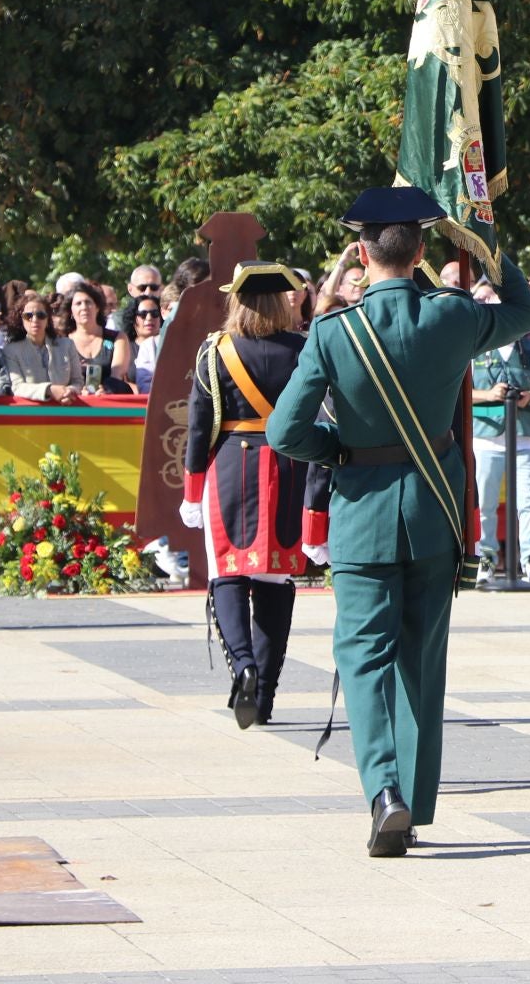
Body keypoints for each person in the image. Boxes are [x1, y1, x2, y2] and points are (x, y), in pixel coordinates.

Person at [268, 186, 530, 858]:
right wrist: (484, 242)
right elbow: (526, 311)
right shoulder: (450, 318)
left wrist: (340, 452)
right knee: (421, 660)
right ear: (420, 251)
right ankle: (411, 804)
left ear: (361, 254)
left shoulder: (334, 332)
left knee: (363, 659)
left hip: (360, 513)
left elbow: (284, 431)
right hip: (433, 514)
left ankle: (382, 790)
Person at [180, 263, 329, 729]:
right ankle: (263, 694)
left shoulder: (215, 352)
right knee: (274, 583)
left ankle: (241, 665)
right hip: (289, 467)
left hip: (230, 469)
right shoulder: (304, 350)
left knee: (227, 576)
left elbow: (199, 428)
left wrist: (191, 490)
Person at [469, 314, 530, 587]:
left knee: (528, 503)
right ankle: (486, 559)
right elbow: (458, 390)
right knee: (485, 505)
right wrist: (489, 394)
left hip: (525, 436)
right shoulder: (474, 348)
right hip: (486, 438)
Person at [2, 290, 84, 402]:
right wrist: (49, 390)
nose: (35, 320)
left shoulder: (67, 345)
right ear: (21, 319)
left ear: (48, 319)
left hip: (65, 410)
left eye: (41, 315)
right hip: (32, 415)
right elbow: (17, 387)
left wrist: (68, 392)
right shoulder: (11, 351)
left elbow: (78, 381)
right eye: (28, 316)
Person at [127, 294, 165, 392]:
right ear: (133, 318)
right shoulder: (125, 348)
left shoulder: (169, 346)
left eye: (154, 313)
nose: (149, 318)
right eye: (143, 314)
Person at [111, 266, 163, 332]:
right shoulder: (119, 319)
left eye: (154, 287)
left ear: (161, 289)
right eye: (142, 288)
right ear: (130, 289)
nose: (148, 292)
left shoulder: (168, 316)